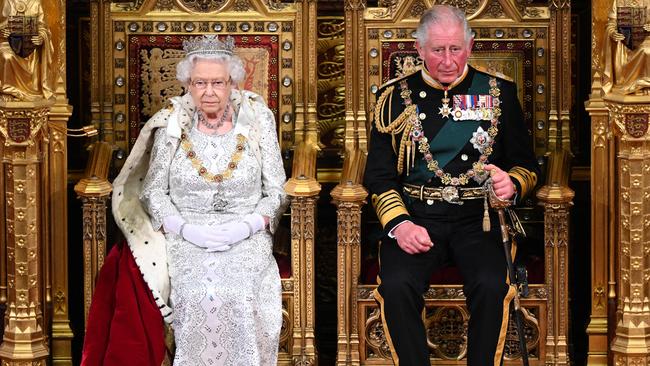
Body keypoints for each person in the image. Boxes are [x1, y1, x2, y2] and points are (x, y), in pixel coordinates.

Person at [82, 34, 288, 365]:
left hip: (245, 234)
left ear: (233, 81)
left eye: (218, 82)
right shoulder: (172, 122)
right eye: (200, 82)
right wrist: (185, 229)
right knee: (196, 294)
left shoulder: (258, 119)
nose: (209, 92)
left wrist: (246, 227)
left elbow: (277, 190)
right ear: (187, 84)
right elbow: (152, 190)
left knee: (238, 294)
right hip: (186, 233)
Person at [363, 5, 539, 366]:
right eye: (438, 50)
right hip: (417, 217)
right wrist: (400, 225)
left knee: (492, 286)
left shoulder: (499, 94)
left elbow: (526, 165)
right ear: (420, 49)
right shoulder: (394, 98)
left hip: (479, 220)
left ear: (470, 47)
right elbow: (379, 177)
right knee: (396, 287)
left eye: (455, 49)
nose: (447, 60)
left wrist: (512, 183)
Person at [0, 0, 54, 100]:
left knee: (32, 54)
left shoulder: (36, 3)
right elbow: (2, 24)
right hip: (9, 43)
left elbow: (43, 27)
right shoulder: (7, 1)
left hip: (30, 45)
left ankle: (32, 91)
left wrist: (41, 37)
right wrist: (3, 32)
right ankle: (8, 90)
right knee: (6, 56)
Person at [602, 0, 650, 95]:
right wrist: (612, 33)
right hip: (625, 42)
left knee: (647, 51)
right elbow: (611, 24)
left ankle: (645, 84)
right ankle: (631, 85)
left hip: (646, 39)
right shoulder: (618, 1)